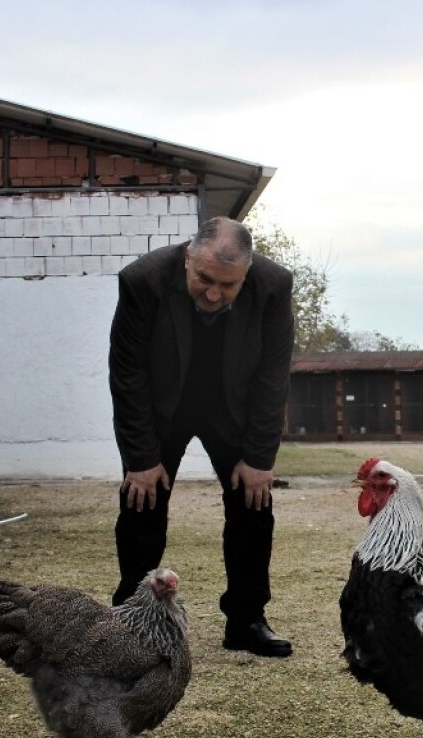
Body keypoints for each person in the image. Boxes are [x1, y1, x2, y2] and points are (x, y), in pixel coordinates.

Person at [108, 216, 294, 657]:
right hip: (160, 408)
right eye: (204, 280)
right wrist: (140, 458)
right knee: (141, 505)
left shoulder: (274, 285)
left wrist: (260, 459)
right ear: (188, 258)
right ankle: (136, 622)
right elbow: (127, 372)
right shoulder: (142, 281)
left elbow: (273, 375)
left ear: (246, 274)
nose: (213, 294)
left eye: (227, 286)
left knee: (254, 507)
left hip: (234, 408)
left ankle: (247, 620)